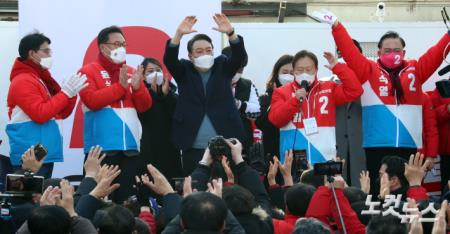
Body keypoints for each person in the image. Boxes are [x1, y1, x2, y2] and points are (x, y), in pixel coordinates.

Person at [312, 9, 450, 193]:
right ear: (379, 52)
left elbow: (436, 53)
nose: (392, 54)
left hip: (410, 147)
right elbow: (350, 52)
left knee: (408, 194)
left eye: (397, 50)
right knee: (379, 194)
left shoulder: (416, 70)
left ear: (404, 52)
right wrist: (336, 25)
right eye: (387, 51)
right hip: (377, 146)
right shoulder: (368, 70)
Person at [163, 14, 247, 175]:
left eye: (208, 50)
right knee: (195, 189)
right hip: (192, 143)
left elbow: (239, 56)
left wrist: (231, 33)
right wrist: (178, 35)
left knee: (226, 186)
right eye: (199, 51)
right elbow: (169, 60)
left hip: (225, 141)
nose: (205, 54)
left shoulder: (223, 65)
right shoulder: (184, 70)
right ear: (190, 56)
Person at [78, 26, 152, 203]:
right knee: (98, 199)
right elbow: (92, 101)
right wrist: (120, 88)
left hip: (130, 147)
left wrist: (137, 88)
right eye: (117, 44)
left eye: (124, 44)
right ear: (103, 47)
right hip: (102, 148)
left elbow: (144, 107)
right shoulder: (88, 71)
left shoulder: (131, 71)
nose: (122, 48)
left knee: (126, 199)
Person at [6, 32, 87, 178]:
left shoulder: (39, 79)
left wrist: (71, 94)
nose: (50, 54)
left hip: (41, 152)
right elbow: (40, 114)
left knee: (41, 199)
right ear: (32, 53)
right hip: (30, 155)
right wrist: (65, 94)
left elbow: (61, 113)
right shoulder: (23, 80)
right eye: (46, 50)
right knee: (30, 199)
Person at [268, 50, 363, 166]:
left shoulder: (329, 88)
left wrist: (338, 68)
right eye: (299, 70)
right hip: (293, 162)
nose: (304, 73)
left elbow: (356, 90)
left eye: (308, 70)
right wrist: (294, 100)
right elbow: (276, 120)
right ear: (294, 71)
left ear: (316, 70)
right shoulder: (281, 92)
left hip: (325, 158)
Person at [138, 57, 182, 181]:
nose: (155, 74)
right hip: (148, 147)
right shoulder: (138, 93)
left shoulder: (171, 92)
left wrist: (165, 96)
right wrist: (151, 93)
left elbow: (177, 114)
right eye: (150, 71)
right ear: (143, 75)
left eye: (158, 70)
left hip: (169, 147)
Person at [334, 40, 366, 187]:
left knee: (362, 190)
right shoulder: (327, 84)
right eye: (339, 53)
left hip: (362, 147)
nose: (343, 57)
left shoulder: (368, 84)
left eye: (348, 53)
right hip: (336, 146)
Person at [222, 46, 260, 152]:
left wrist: (239, 104)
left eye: (240, 69)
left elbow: (257, 111)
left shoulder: (248, 84)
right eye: (233, 68)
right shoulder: (211, 82)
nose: (236, 72)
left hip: (243, 142)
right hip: (219, 139)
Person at [256, 55, 294, 159]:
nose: (288, 76)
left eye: (292, 73)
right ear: (277, 74)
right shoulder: (265, 98)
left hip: (295, 152)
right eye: (285, 72)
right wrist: (275, 99)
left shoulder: (301, 97)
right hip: (273, 154)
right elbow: (261, 123)